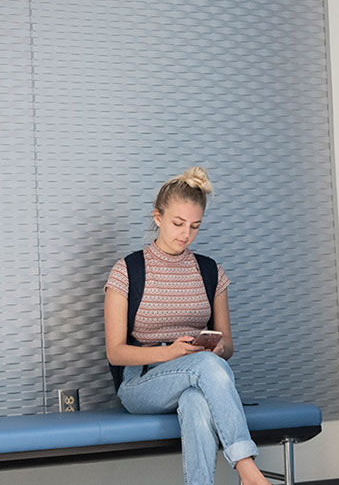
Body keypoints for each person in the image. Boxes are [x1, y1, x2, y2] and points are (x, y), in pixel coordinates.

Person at [104, 167, 270, 485]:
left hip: (196, 374)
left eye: (195, 226)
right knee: (205, 367)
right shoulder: (127, 270)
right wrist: (172, 354)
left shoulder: (210, 271)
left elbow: (228, 347)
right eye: (178, 224)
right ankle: (246, 467)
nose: (186, 234)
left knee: (196, 400)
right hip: (142, 383)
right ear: (157, 217)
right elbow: (115, 353)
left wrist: (219, 348)